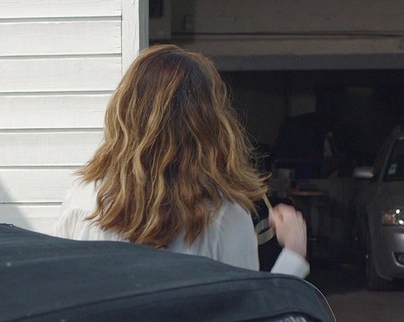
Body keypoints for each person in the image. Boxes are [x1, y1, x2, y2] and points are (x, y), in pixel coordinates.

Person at [53, 44, 309, 279]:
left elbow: (61, 290)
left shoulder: (82, 198)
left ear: (124, 112)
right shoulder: (224, 214)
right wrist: (294, 254)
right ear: (211, 123)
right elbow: (249, 309)